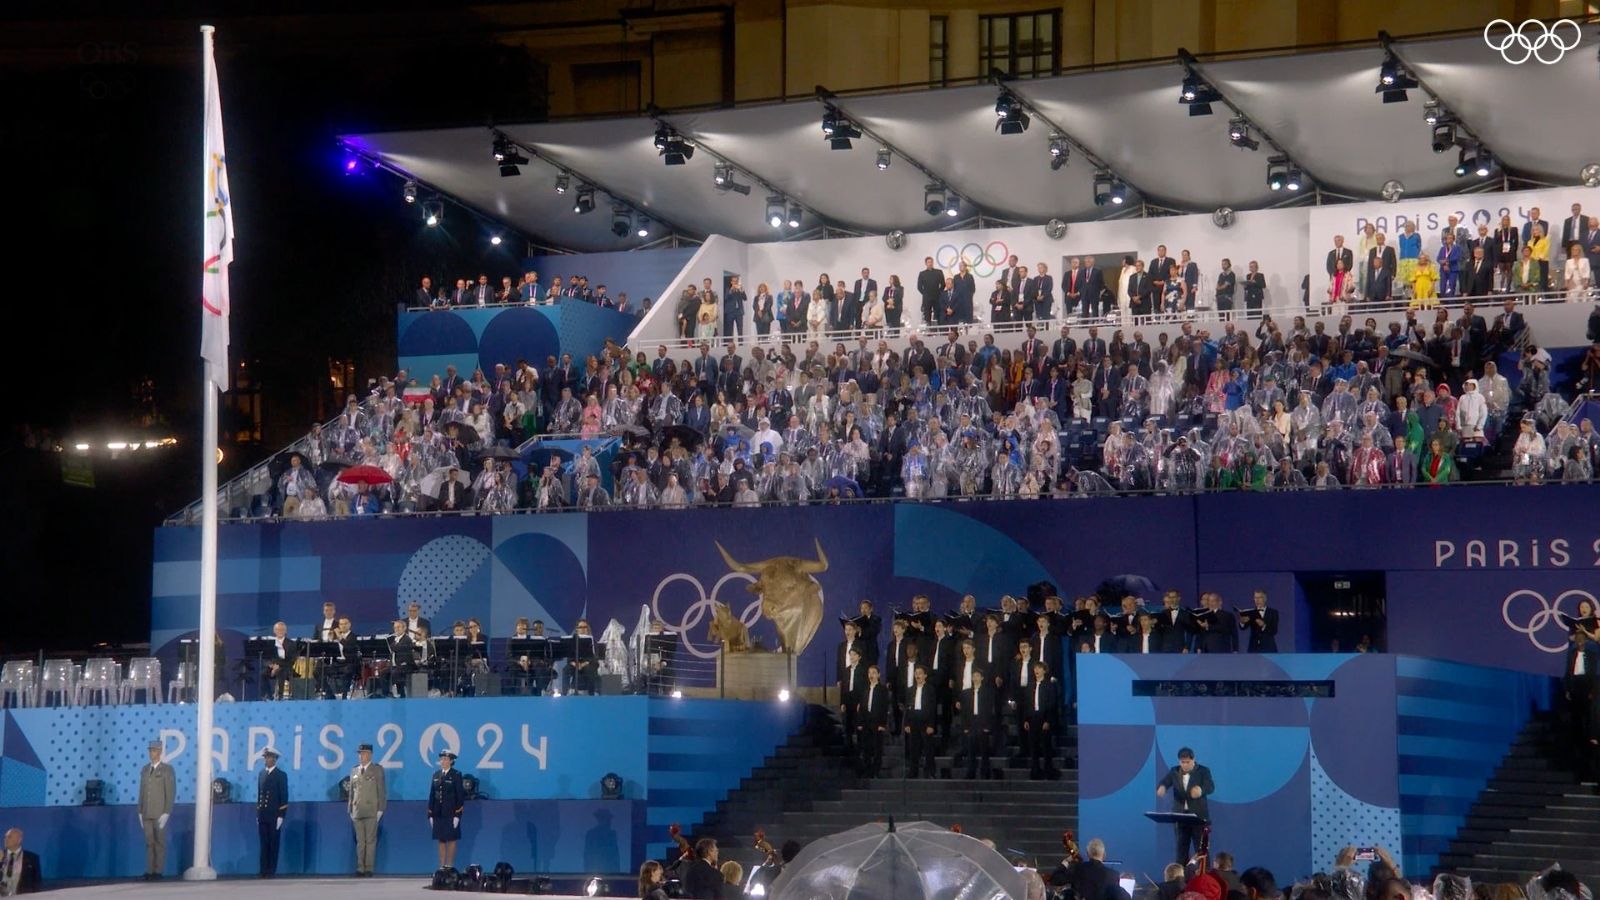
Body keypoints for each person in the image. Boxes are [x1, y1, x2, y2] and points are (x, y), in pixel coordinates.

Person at [1155, 746, 1213, 865]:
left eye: (1187, 762)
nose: (1185, 765)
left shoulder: (1203, 771)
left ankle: (1204, 874)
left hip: (1198, 818)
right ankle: (1180, 874)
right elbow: (1165, 782)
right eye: (1182, 762)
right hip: (1181, 817)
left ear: (1193, 760)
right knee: (1181, 851)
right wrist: (1162, 787)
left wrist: (1200, 790)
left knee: (1201, 850)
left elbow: (1210, 786)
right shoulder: (1174, 771)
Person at [349, 742, 387, 877]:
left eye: (364, 753)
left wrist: (380, 809)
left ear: (370, 755)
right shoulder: (354, 770)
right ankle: (360, 868)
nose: (361, 756)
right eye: (360, 754)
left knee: (370, 841)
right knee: (360, 842)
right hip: (357, 811)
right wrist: (350, 809)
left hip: (371, 810)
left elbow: (381, 791)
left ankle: (369, 868)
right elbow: (352, 792)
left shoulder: (377, 770)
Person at [138, 740, 175, 880]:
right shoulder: (145, 769)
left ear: (160, 752)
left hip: (159, 812)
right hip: (146, 812)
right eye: (150, 750)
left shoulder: (167, 770)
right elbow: (142, 791)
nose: (151, 753)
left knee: (159, 843)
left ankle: (158, 871)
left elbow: (170, 792)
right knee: (149, 843)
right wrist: (139, 810)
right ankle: (149, 870)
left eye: (154, 750)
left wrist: (167, 812)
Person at [429, 750, 466, 869]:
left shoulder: (456, 775)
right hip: (438, 813)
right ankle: (442, 866)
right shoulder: (436, 775)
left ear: (451, 761)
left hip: (450, 813)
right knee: (441, 839)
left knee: (452, 839)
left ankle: (450, 866)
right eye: (441, 759)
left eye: (445, 759)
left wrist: (457, 815)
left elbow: (459, 796)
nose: (442, 761)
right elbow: (432, 795)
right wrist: (430, 814)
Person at [256, 747, 289, 878]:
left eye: (268, 757)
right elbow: (260, 795)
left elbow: (283, 796)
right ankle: (263, 869)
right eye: (265, 757)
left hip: (274, 815)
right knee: (263, 844)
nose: (266, 760)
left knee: (273, 843)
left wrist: (281, 815)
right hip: (263, 814)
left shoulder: (281, 775)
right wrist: (258, 813)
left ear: (274, 759)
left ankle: (271, 870)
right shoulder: (261, 774)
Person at [902, 664, 937, 778]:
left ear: (925, 675)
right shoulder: (910, 690)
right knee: (913, 748)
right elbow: (907, 707)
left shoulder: (930, 689)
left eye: (920, 673)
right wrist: (906, 723)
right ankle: (913, 771)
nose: (917, 676)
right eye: (916, 673)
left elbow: (932, 708)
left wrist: (931, 725)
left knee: (928, 748)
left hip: (925, 721)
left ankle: (930, 771)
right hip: (913, 721)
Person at [0, 829, 40, 896]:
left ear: (19, 840)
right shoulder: (1, 855)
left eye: (9, 837)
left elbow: (37, 882)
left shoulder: (32, 858)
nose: (5, 839)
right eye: (5, 837)